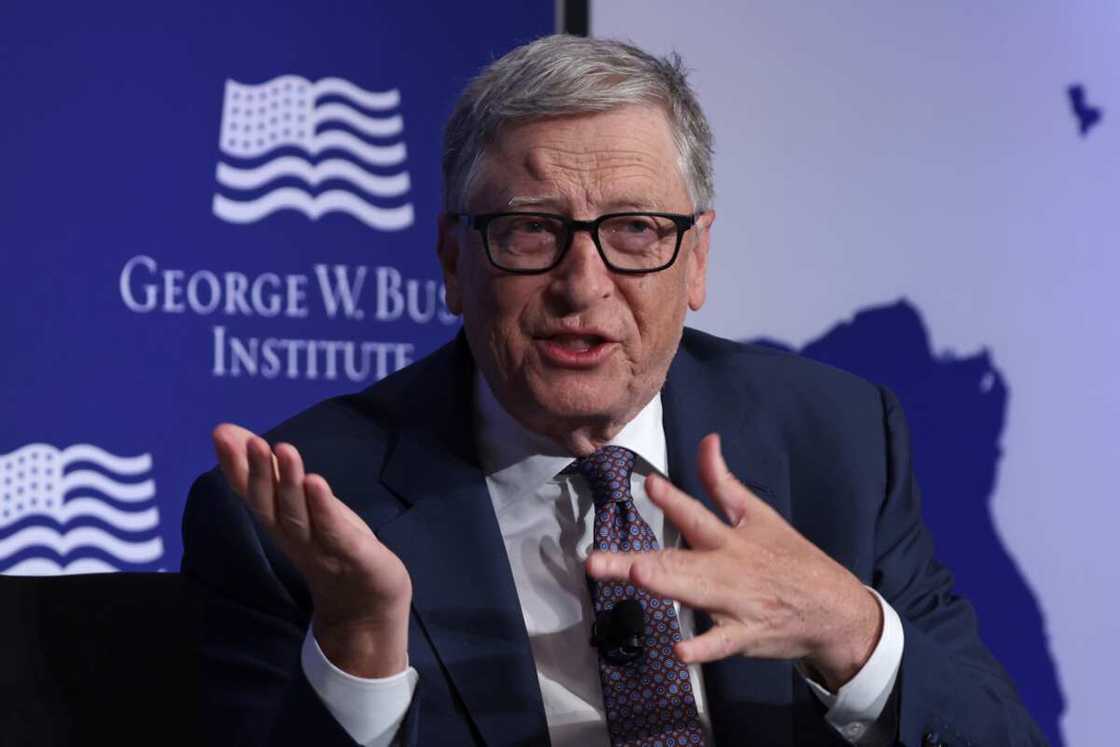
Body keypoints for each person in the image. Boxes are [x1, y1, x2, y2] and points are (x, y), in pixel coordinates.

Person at [181, 35, 1045, 746]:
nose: (582, 284)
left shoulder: (839, 440)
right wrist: (361, 646)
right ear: (453, 259)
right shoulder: (301, 512)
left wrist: (851, 630)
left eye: (635, 229)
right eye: (532, 230)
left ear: (697, 257)